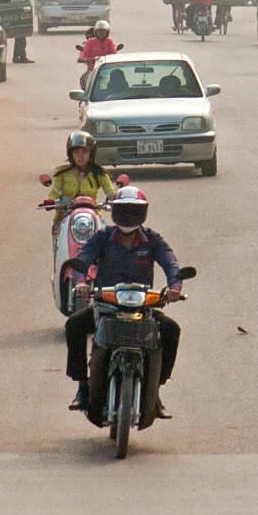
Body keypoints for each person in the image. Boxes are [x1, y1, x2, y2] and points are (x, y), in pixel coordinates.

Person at [63, 186, 185, 412]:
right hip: (106, 306)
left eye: (133, 210)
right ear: (115, 212)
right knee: (74, 325)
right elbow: (84, 258)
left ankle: (154, 391)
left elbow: (171, 264)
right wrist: (80, 282)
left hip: (142, 308)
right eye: (124, 209)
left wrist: (175, 287)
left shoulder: (153, 240)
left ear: (143, 213)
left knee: (171, 330)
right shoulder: (101, 238)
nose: (129, 215)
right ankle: (82, 386)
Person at [42, 130, 114, 216]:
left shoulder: (99, 173)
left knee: (104, 229)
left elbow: (111, 193)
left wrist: (121, 197)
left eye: (84, 151)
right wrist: (51, 200)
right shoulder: (62, 174)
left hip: (92, 216)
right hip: (66, 216)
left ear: (91, 153)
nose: (80, 156)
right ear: (71, 154)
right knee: (59, 229)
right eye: (76, 152)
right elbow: (55, 192)